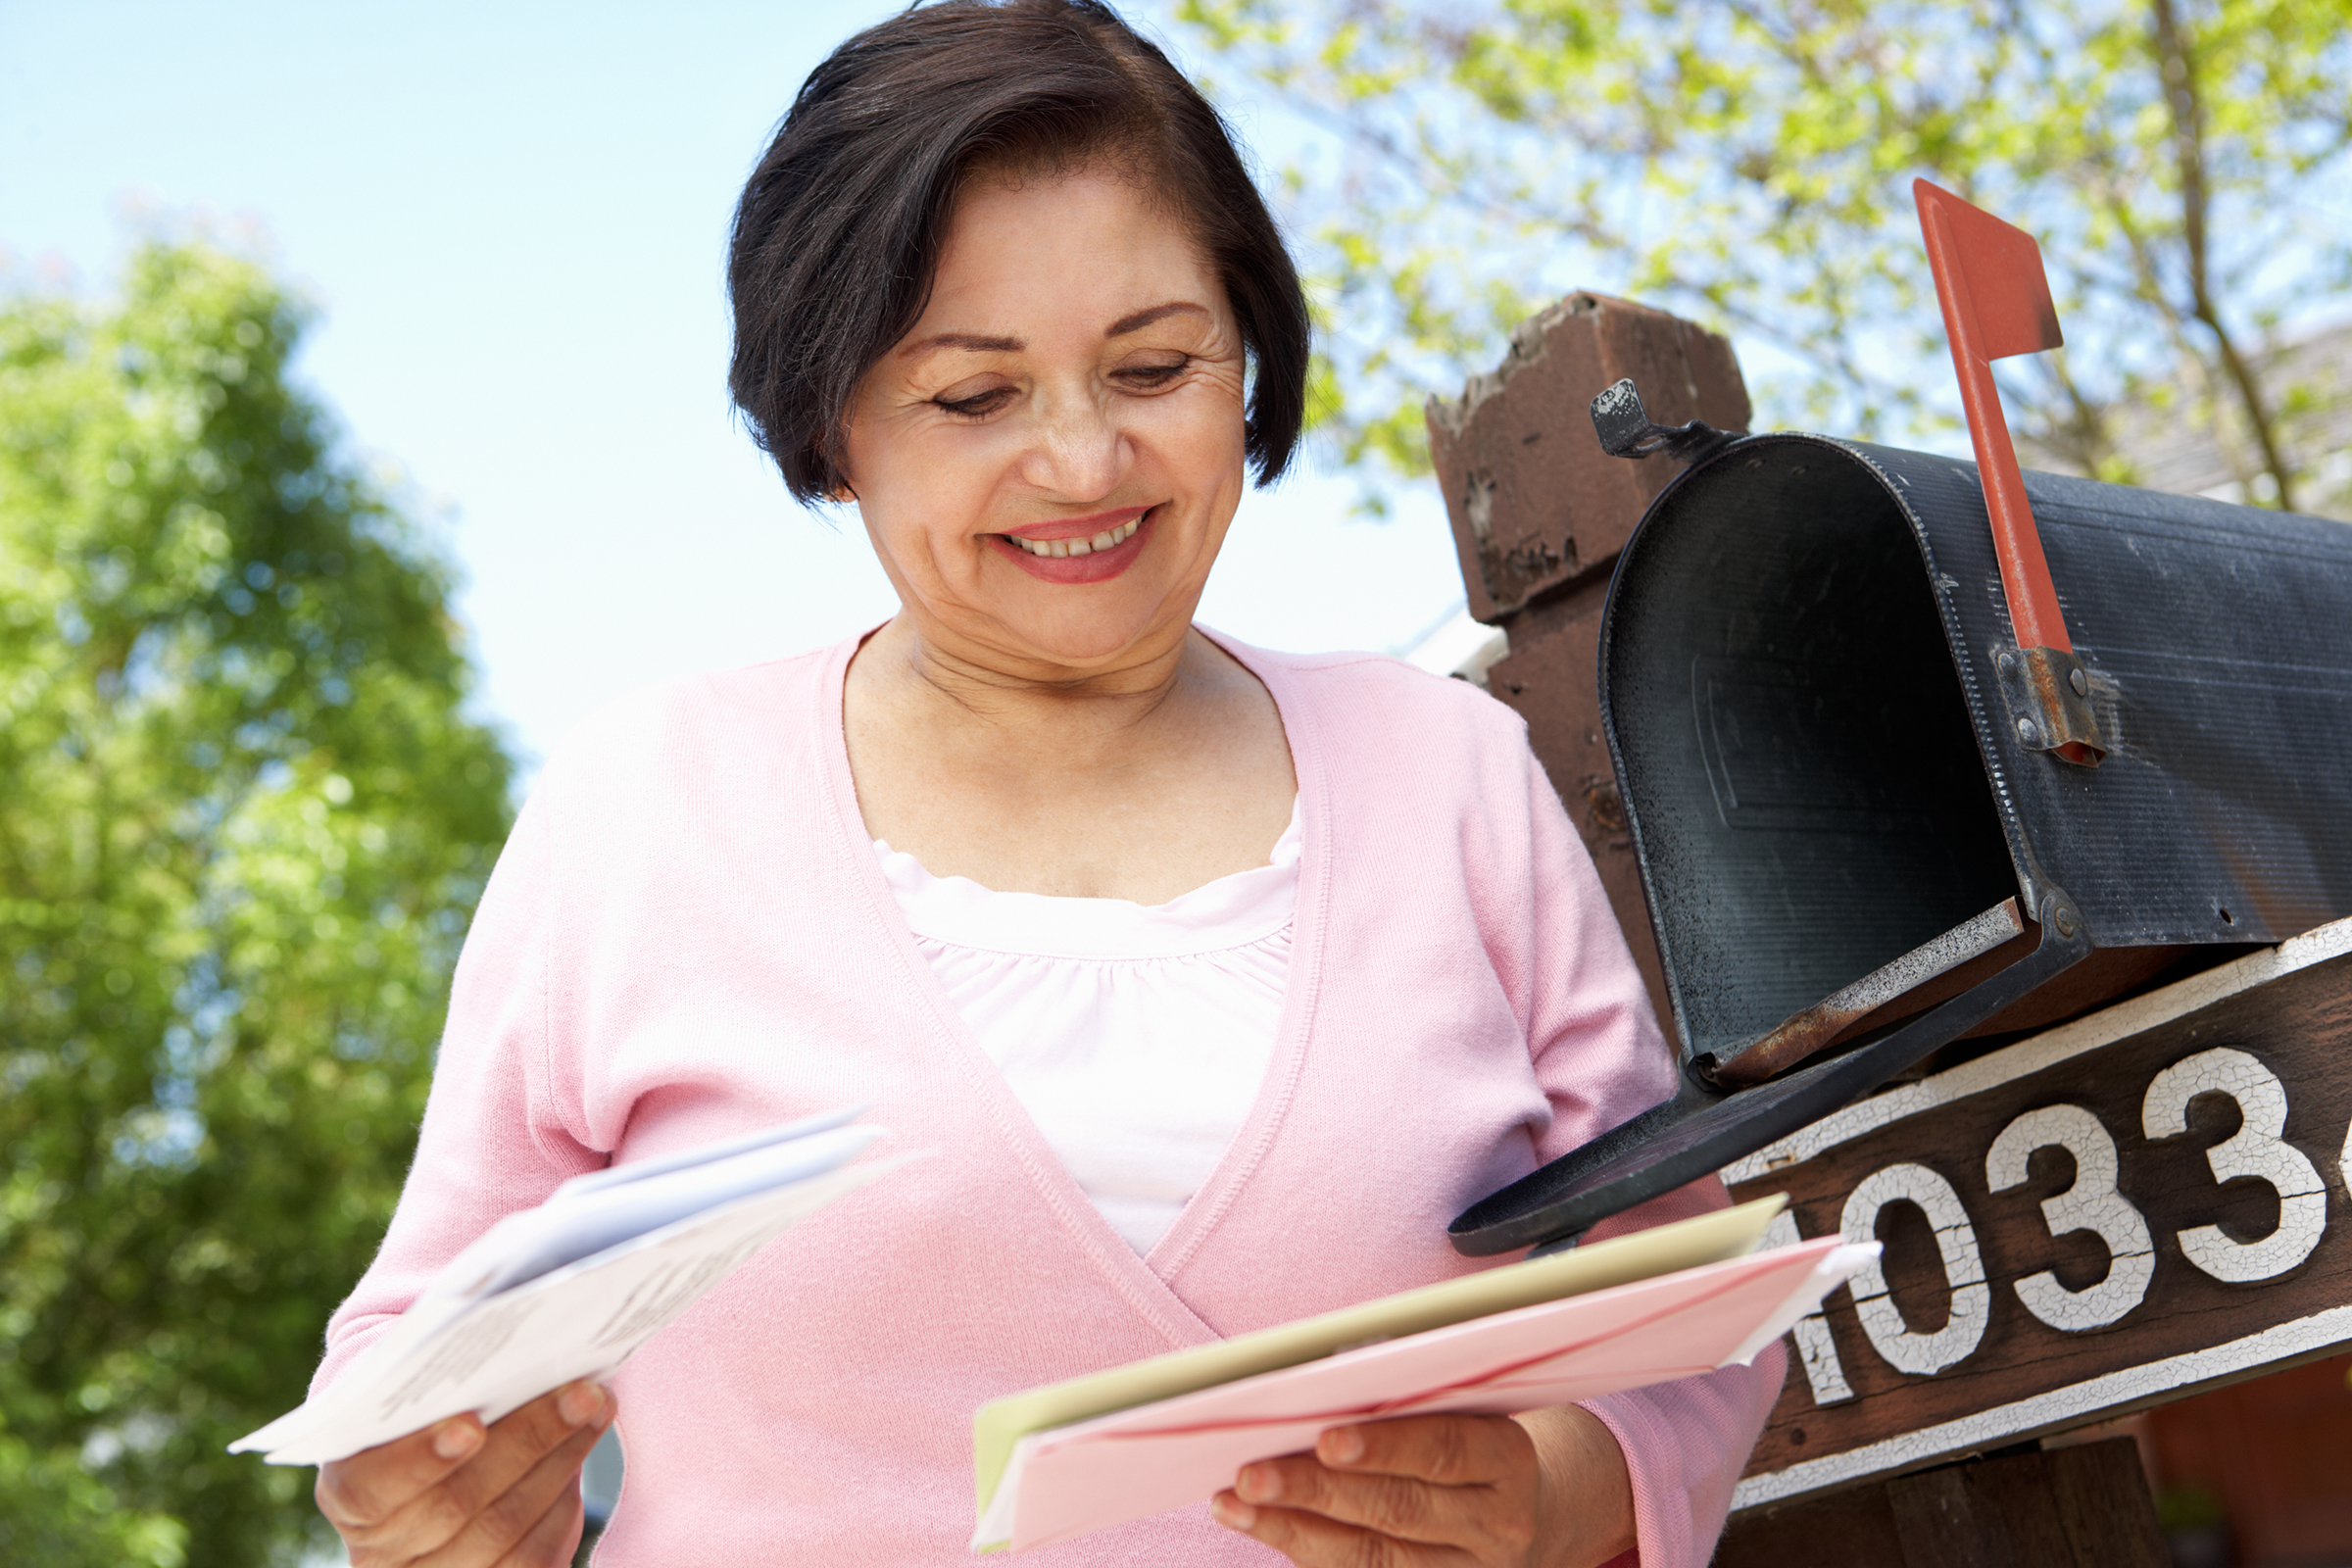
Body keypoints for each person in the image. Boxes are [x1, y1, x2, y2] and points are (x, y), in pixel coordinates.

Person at [309, 3, 1780, 1564]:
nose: (1085, 463)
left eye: (1153, 366)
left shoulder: (1447, 772)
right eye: (973, 396)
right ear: (831, 421)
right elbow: (416, 1367)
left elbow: (1679, 1306)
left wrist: (1560, 1488)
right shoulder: (643, 810)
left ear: (1249, 353)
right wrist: (431, 1501)